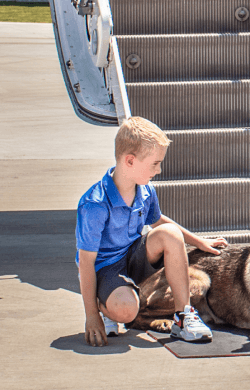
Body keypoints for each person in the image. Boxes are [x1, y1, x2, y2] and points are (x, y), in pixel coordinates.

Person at [76, 116, 228, 346]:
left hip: (134, 257)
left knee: (170, 233)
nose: (159, 170)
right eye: (155, 163)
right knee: (127, 311)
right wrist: (91, 316)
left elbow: (158, 221)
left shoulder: (145, 191)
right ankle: (104, 305)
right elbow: (86, 263)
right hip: (105, 268)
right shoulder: (95, 205)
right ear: (130, 161)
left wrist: (199, 242)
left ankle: (183, 316)